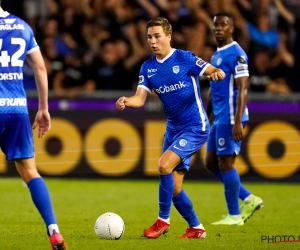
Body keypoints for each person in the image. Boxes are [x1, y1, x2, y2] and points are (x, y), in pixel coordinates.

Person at [116, 17, 225, 239]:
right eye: (149, 37)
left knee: (164, 166)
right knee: (174, 189)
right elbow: (140, 99)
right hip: (173, 130)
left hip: (195, 127)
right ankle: (196, 228)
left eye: (157, 36)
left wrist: (216, 72)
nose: (153, 41)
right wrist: (126, 101)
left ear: (168, 36)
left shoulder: (184, 59)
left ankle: (162, 221)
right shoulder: (148, 68)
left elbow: (210, 68)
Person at [0, 3, 67, 249]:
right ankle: (54, 230)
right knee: (30, 172)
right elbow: (40, 67)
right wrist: (43, 108)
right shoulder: (22, 27)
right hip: (17, 108)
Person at [205, 12, 263, 226]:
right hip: (219, 117)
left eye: (223, 24)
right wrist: (206, 114)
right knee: (211, 163)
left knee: (226, 163)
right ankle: (249, 198)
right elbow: (213, 89)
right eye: (215, 25)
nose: (218, 28)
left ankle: (234, 215)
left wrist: (238, 120)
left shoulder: (237, 54)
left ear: (232, 28)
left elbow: (243, 87)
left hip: (231, 117)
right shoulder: (216, 55)